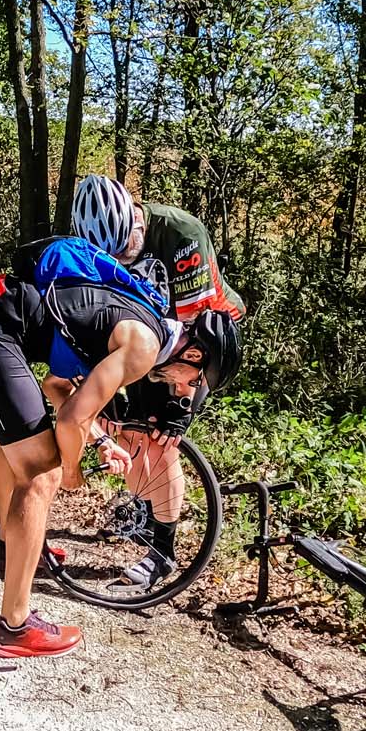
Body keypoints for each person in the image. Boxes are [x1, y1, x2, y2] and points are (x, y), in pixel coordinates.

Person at [0, 234, 240, 657]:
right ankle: (14, 625)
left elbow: (57, 387)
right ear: (193, 356)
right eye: (193, 381)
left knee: (17, 446)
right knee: (42, 471)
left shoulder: (142, 321)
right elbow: (71, 419)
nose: (183, 389)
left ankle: (11, 550)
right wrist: (70, 468)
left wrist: (100, 441)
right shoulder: (144, 346)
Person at [66, 174, 246, 588]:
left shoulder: (180, 234)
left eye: (128, 247)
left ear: (135, 220)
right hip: (146, 338)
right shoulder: (100, 248)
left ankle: (163, 553)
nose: (124, 258)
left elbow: (195, 329)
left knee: (159, 439)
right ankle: (147, 512)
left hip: (201, 340)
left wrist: (179, 407)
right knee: (125, 434)